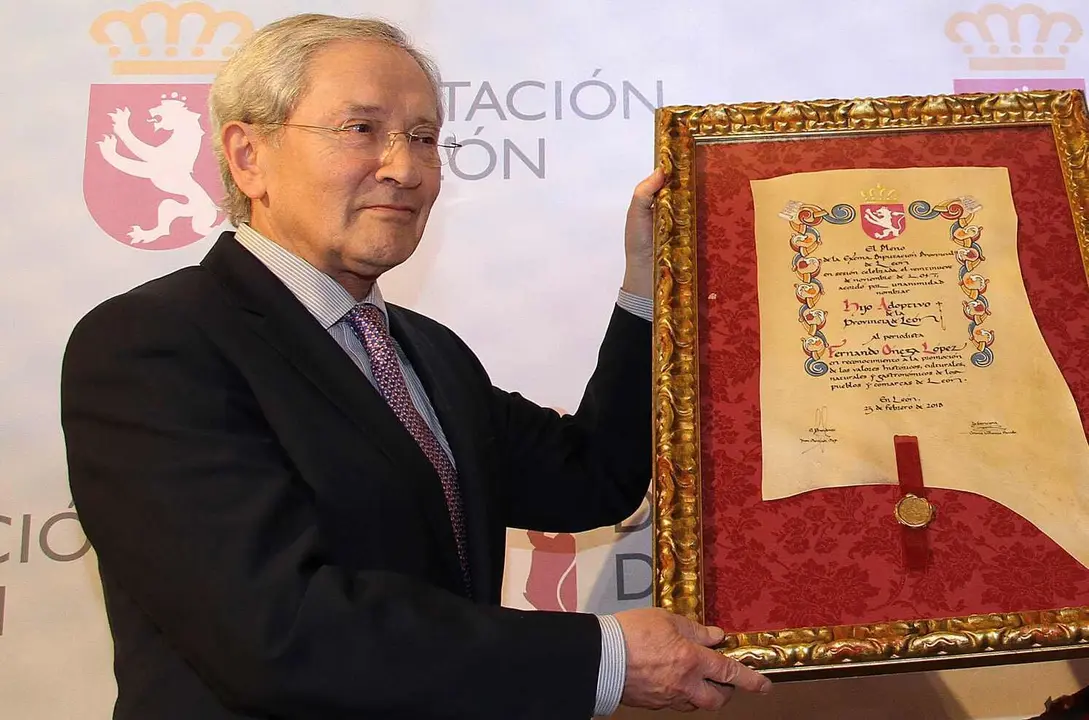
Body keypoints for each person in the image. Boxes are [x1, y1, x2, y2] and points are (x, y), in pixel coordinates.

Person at [60, 13, 771, 719]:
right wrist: (600, 658)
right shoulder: (154, 345)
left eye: (424, 138)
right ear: (249, 157)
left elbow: (591, 479)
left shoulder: (427, 350)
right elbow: (278, 631)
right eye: (360, 129)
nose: (404, 168)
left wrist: (650, 288)